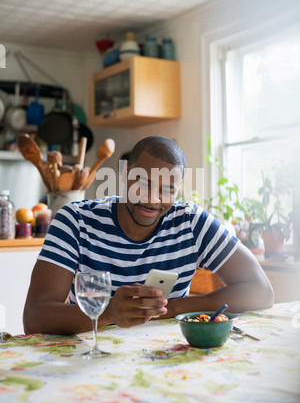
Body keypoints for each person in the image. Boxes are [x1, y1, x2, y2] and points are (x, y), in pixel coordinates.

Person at [23, 136, 274, 335]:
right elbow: (34, 317)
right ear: (125, 174)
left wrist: (169, 308)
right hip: (91, 354)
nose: (153, 199)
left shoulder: (191, 222)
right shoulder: (75, 220)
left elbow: (261, 291)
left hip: (165, 357)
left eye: (167, 190)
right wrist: (109, 313)